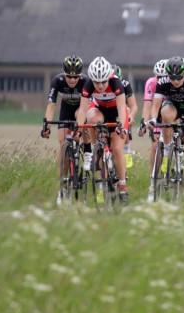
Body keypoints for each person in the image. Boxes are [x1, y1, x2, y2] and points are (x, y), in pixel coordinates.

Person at [77, 56, 130, 202]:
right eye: (96, 82)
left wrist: (123, 127)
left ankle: (122, 185)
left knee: (118, 148)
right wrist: (79, 129)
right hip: (99, 111)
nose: (100, 86)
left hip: (115, 113)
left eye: (103, 82)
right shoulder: (88, 84)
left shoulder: (116, 82)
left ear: (109, 77)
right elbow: (82, 111)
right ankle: (98, 147)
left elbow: (122, 109)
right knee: (91, 117)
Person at [150, 56, 184, 192]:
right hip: (173, 107)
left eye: (179, 78)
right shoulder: (162, 82)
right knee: (165, 113)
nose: (175, 81)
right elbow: (155, 105)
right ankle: (168, 147)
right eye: (172, 78)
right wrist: (152, 118)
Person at [41, 55, 85, 206]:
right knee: (63, 145)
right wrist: (46, 125)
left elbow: (89, 106)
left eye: (75, 77)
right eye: (69, 77)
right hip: (65, 112)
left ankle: (81, 160)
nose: (72, 80)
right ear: (64, 74)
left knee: (79, 122)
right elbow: (51, 105)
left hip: (81, 110)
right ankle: (62, 185)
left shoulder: (86, 82)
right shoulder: (57, 81)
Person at [139, 59, 167, 178]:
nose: (160, 79)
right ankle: (153, 176)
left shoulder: (172, 84)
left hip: (170, 112)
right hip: (157, 114)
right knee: (155, 146)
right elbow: (147, 105)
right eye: (158, 76)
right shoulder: (151, 82)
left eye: (163, 77)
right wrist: (144, 123)